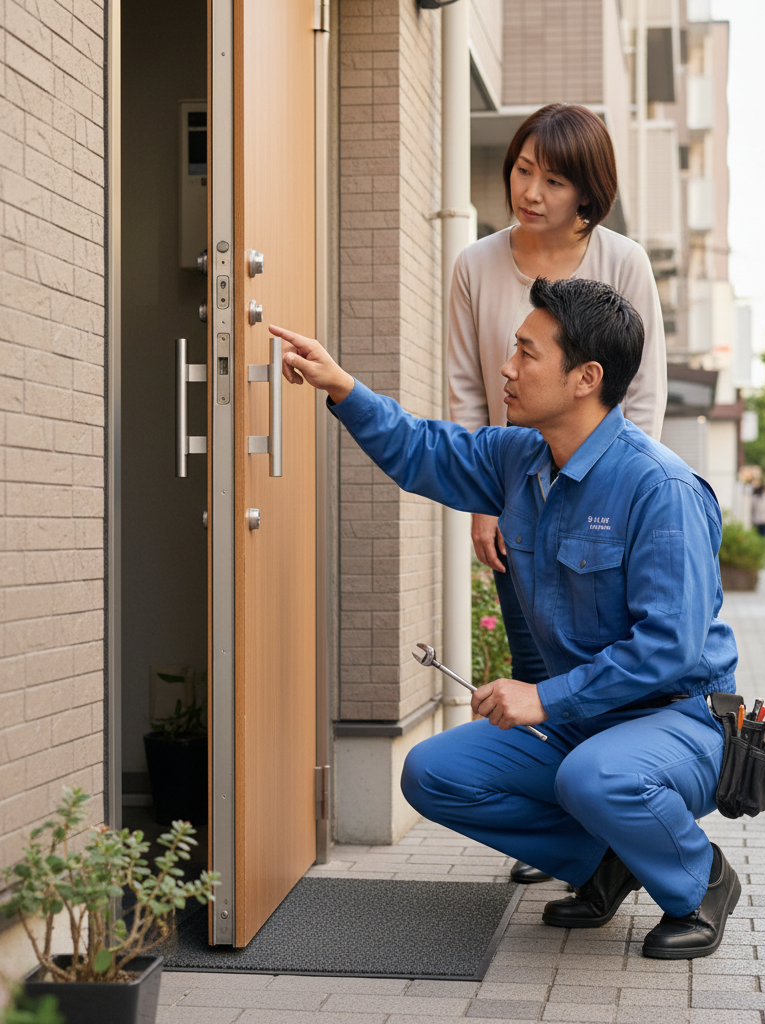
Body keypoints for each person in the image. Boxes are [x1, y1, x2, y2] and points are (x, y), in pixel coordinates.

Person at [269, 277, 740, 960]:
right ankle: (607, 862)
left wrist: (544, 697)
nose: (506, 368)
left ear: (586, 378)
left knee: (596, 776)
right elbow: (423, 451)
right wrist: (342, 386)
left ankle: (701, 882)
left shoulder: (659, 489)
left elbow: (667, 648)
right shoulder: (520, 457)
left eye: (526, 353)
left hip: (679, 720)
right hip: (583, 719)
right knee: (431, 773)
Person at [449, 104, 668, 883]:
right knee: (534, 668)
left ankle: (618, 818)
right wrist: (481, 504)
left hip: (607, 507)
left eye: (554, 178)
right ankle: (567, 839)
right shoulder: (476, 264)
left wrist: (631, 506)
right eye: (521, 170)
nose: (531, 190)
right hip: (517, 501)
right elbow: (467, 396)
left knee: (607, 669)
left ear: (588, 192)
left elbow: (642, 402)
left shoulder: (624, 262)